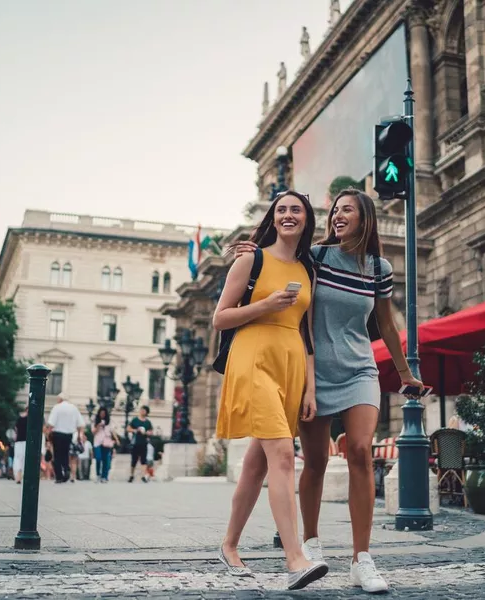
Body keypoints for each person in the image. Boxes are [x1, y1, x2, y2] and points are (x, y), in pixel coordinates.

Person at [234, 189, 424, 593]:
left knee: (359, 450)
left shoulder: (379, 268)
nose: (337, 216)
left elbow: (386, 325)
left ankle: (362, 559)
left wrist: (405, 373)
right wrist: (252, 250)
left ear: (364, 218)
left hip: (359, 370)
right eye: (335, 210)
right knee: (316, 460)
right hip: (313, 373)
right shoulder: (316, 259)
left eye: (347, 210)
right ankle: (311, 543)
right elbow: (277, 259)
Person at [214, 190, 327, 591]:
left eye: (296, 209)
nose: (288, 215)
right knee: (281, 453)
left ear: (306, 218)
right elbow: (220, 319)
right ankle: (295, 558)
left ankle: (228, 545)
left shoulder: (308, 269)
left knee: (256, 464)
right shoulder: (252, 259)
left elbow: (307, 333)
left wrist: (310, 389)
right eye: (281, 210)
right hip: (252, 360)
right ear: (273, 218)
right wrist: (266, 305)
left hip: (290, 368)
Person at [46, 394, 85, 483]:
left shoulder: (57, 407)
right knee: (65, 454)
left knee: (57, 455)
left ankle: (59, 476)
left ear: (60, 399)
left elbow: (51, 423)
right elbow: (80, 424)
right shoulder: (73, 408)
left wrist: (48, 436)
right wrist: (79, 435)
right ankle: (67, 469)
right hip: (68, 435)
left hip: (57, 435)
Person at [127, 406, 153, 483]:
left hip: (144, 443)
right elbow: (128, 428)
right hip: (135, 443)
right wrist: (135, 430)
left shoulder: (148, 422)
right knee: (134, 460)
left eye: (144, 410)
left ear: (147, 412)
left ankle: (143, 476)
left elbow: (151, 432)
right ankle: (131, 475)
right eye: (141, 410)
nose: (142, 411)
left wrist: (148, 433)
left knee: (143, 460)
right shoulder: (135, 420)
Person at [93, 407, 117, 482]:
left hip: (106, 442)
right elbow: (93, 432)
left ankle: (104, 476)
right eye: (101, 413)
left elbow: (112, 431)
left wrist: (116, 439)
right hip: (97, 442)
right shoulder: (95, 421)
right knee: (98, 458)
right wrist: (98, 426)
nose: (102, 415)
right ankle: (98, 474)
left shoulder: (109, 422)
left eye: (104, 414)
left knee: (105, 459)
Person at [13, 408, 28, 484]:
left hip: (19, 441)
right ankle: (21, 476)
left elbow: (16, 429)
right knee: (25, 459)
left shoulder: (19, 419)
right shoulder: (31, 420)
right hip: (27, 442)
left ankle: (18, 476)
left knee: (18, 459)